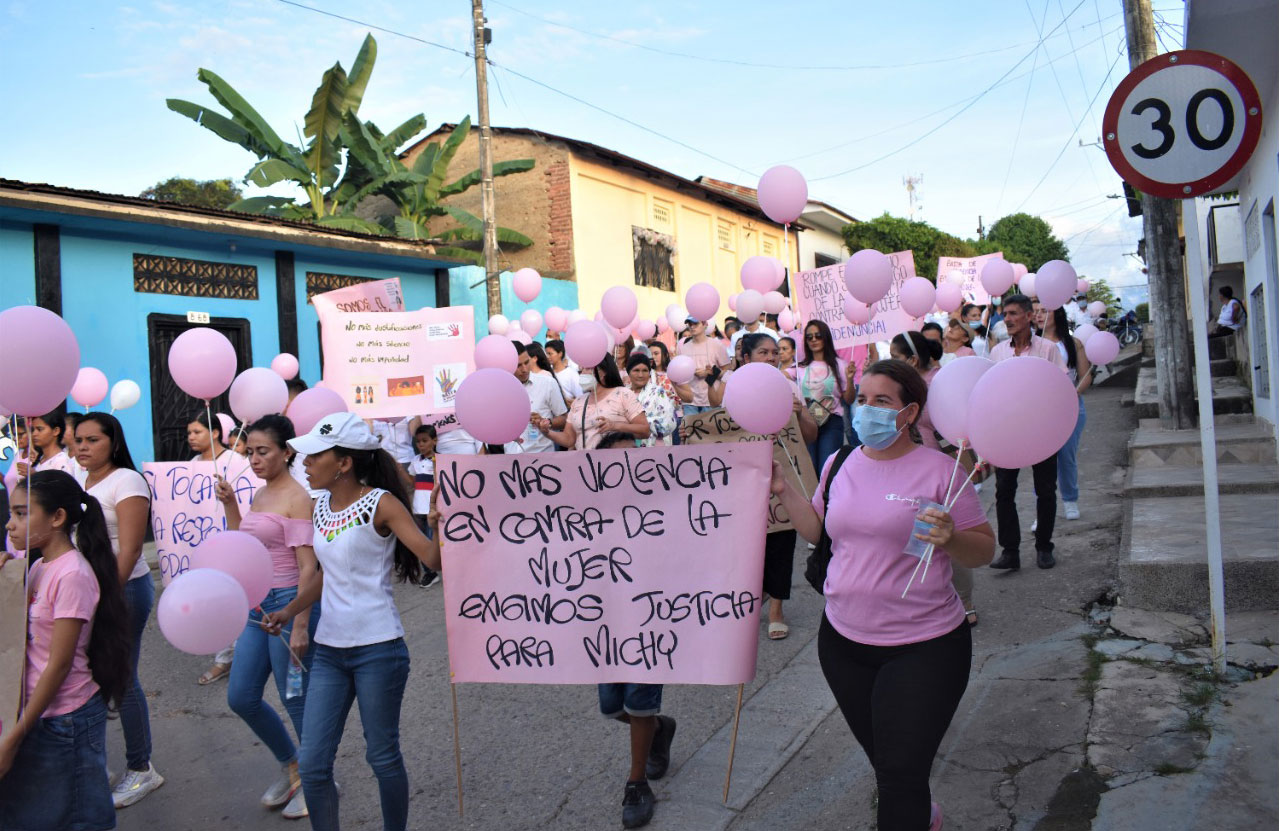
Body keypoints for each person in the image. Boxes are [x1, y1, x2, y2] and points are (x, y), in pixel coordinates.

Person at [770, 359, 995, 831]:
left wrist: (951, 537)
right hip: (843, 644)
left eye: (882, 401)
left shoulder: (942, 471)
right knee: (892, 766)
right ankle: (919, 807)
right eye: (863, 399)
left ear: (909, 412)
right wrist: (783, 490)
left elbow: (982, 551)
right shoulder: (840, 462)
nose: (866, 411)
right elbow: (819, 532)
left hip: (925, 648)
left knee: (897, 777)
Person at [264, 412, 442, 831]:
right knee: (312, 764)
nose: (303, 462)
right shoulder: (320, 505)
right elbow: (326, 573)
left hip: (379, 650)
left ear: (344, 462)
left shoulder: (381, 503)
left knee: (382, 756)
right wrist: (289, 612)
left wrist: (440, 525)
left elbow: (431, 559)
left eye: (313, 456)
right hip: (329, 653)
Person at [0, 471, 132, 831]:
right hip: (36, 711)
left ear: (57, 518)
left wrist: (13, 738)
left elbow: (57, 666)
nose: (10, 525)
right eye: (11, 513)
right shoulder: (39, 566)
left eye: (23, 514)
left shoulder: (71, 574)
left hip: (64, 718)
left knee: (76, 817)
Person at [211, 415, 320, 819]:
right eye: (250, 451)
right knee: (241, 696)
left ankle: (318, 779)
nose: (254, 459)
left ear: (286, 452)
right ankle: (292, 764)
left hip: (289, 603)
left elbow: (309, 568)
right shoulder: (258, 494)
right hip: (257, 605)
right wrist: (230, 505)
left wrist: (301, 623)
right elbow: (245, 546)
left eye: (263, 451)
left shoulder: (298, 497)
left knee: (295, 698)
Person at [71, 413, 166, 808]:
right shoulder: (81, 480)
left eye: (92, 440)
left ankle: (142, 768)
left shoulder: (126, 481)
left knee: (122, 678)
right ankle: (94, 763)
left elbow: (128, 549)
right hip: (88, 592)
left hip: (123, 591)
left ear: (113, 442)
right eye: (78, 440)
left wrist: (106, 598)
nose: (82, 447)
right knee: (88, 676)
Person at [589, 430, 678, 828]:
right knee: (612, 707)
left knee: (639, 701)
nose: (627, 468)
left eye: (634, 458)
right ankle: (660, 728)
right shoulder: (584, 511)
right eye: (615, 461)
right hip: (604, 624)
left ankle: (636, 782)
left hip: (649, 620)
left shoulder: (664, 506)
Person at [706, 332, 817, 639]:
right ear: (746, 358)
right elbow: (721, 435)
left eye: (774, 352)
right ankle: (757, 593)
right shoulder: (734, 390)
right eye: (763, 353)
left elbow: (810, 436)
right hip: (746, 479)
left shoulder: (790, 387)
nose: (771, 357)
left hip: (784, 479)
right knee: (750, 544)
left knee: (782, 541)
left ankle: (777, 609)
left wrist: (799, 413)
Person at [889, 334, 978, 627]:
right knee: (917, 539)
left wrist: (962, 475)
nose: (890, 363)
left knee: (948, 537)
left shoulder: (936, 387)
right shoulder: (902, 389)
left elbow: (952, 436)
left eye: (896, 357)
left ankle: (964, 600)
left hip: (941, 474)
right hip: (907, 475)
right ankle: (921, 599)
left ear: (912, 360)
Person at [989, 294, 1066, 571]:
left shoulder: (1048, 349)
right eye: (1004, 314)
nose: (1007, 319)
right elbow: (991, 392)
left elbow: (1060, 387)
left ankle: (1044, 546)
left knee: (1046, 490)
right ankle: (1010, 551)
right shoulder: (997, 353)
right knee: (1004, 490)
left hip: (1042, 430)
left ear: (1028, 316)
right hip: (1008, 433)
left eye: (1012, 313)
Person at [190, 410, 239, 684]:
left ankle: (234, 659)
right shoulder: (192, 463)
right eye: (189, 433)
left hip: (232, 541)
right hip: (206, 542)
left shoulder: (235, 462)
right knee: (216, 601)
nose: (191, 438)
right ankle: (225, 658)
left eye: (197, 431)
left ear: (216, 433)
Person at [1037, 304, 1091, 522]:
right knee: (1041, 460)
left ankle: (1070, 500)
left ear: (1057, 313)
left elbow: (1086, 374)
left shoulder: (1073, 343)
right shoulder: (1033, 344)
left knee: (1067, 457)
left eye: (1043, 310)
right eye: (1036, 311)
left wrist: (1073, 394)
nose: (1039, 315)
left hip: (1071, 407)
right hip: (1040, 410)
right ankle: (1043, 509)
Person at [538, 355, 649, 450]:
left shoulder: (622, 394)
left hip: (616, 464)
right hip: (588, 467)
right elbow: (569, 439)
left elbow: (644, 430)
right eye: (582, 369)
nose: (582, 373)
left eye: (587, 369)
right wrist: (547, 432)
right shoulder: (578, 402)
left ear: (603, 372)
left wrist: (615, 426)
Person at [799, 320, 855, 474]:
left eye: (818, 336)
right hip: (806, 422)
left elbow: (849, 400)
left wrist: (850, 380)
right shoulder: (799, 368)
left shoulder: (840, 365)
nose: (814, 340)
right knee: (809, 470)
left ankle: (827, 498)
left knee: (827, 470)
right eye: (809, 337)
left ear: (826, 337)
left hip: (831, 422)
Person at [514, 341, 569, 452]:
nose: (524, 369)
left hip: (542, 457)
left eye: (526, 362)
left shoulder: (547, 383)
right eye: (518, 365)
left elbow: (564, 419)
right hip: (510, 458)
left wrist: (546, 422)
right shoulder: (500, 390)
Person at [676, 317, 731, 415]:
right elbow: (680, 374)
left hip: (712, 400)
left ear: (705, 324)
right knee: (690, 430)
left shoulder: (717, 345)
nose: (692, 326)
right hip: (691, 402)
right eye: (689, 324)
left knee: (711, 430)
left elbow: (728, 372)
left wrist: (708, 373)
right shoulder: (683, 348)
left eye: (695, 323)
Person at [408, 424, 440, 588]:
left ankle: (436, 568)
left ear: (434, 441)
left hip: (432, 509)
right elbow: (412, 482)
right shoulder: (415, 461)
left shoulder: (440, 460)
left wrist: (436, 463)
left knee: (431, 539)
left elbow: (440, 481)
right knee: (422, 542)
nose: (421, 445)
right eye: (418, 442)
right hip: (417, 508)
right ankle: (429, 572)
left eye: (425, 441)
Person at [626, 353, 676, 446]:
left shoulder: (657, 392)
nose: (640, 375)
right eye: (636, 370)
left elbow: (669, 422)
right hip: (627, 447)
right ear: (628, 372)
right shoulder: (623, 393)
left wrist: (633, 425)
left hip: (653, 448)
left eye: (645, 370)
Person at [16, 411, 76, 478]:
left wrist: (35, 475)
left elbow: (62, 487)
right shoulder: (40, 458)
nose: (34, 434)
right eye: (33, 430)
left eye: (40, 429)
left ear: (56, 431)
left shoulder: (61, 461)